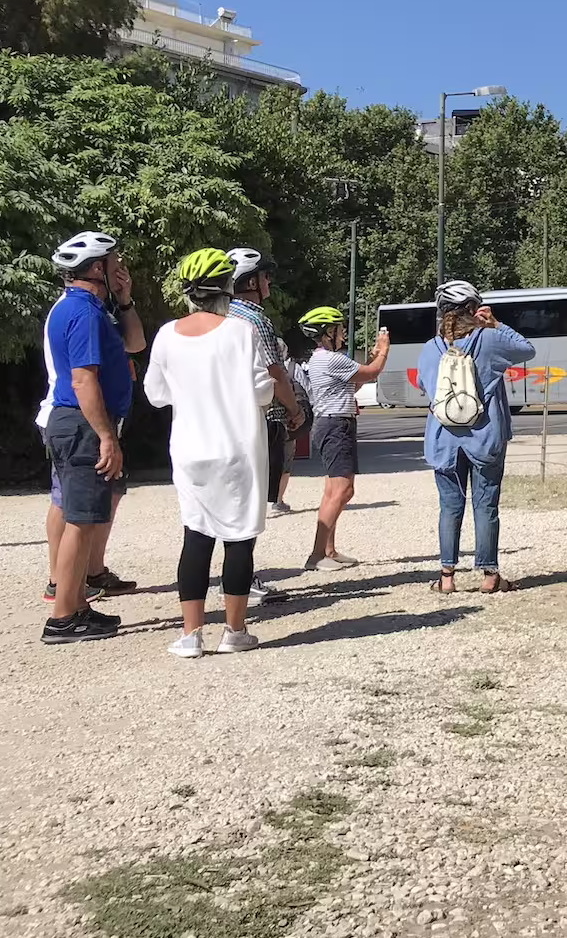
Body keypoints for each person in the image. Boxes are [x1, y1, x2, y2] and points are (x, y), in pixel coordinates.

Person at [144, 250, 277, 657]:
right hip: (237, 448)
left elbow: (155, 394)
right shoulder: (240, 332)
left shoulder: (167, 334)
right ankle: (234, 631)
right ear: (228, 289)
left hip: (189, 449)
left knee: (196, 535)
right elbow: (263, 390)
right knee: (239, 539)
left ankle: (191, 635)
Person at [40, 231, 146, 643]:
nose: (121, 267)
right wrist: (106, 436)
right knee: (81, 521)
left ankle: (77, 604)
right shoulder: (83, 313)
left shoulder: (89, 308)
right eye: (115, 261)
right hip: (81, 425)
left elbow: (134, 343)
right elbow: (84, 380)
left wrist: (125, 298)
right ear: (98, 267)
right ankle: (64, 618)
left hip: (77, 424)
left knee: (81, 517)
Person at [417, 280, 533, 594]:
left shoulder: (432, 348)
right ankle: (489, 576)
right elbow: (527, 349)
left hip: (443, 440)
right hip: (485, 437)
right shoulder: (492, 340)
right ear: (473, 309)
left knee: (450, 507)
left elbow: (424, 388)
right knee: (486, 506)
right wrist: (497, 323)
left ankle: (446, 578)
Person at [226, 247, 305, 599]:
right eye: (264, 275)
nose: (269, 280)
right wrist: (294, 409)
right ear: (252, 281)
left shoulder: (216, 314)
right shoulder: (256, 318)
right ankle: (244, 581)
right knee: (249, 504)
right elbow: (276, 373)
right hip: (252, 418)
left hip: (215, 420)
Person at [295, 306, 389, 571]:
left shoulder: (321, 359)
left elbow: (355, 383)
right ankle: (316, 556)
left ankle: (329, 550)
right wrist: (383, 350)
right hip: (336, 425)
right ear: (327, 333)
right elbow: (372, 373)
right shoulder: (331, 359)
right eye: (339, 328)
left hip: (331, 423)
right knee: (343, 490)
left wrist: (372, 361)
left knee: (332, 491)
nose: (344, 332)